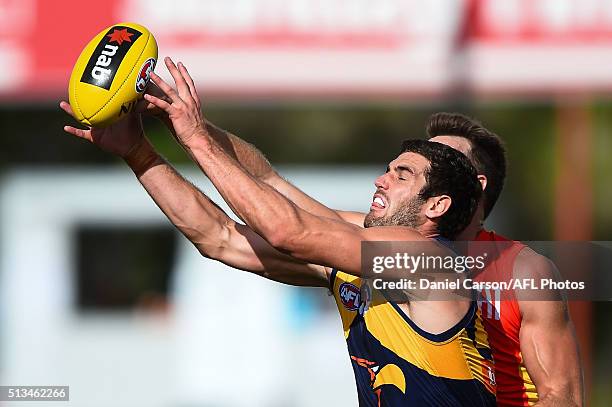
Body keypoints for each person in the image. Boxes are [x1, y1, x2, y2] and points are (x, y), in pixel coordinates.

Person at [60, 57, 497, 406]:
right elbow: (222, 235)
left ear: (437, 206)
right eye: (386, 170)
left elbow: (287, 230)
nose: (381, 180)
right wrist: (143, 148)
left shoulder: (424, 260)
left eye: (402, 176)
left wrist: (195, 139)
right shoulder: (358, 254)